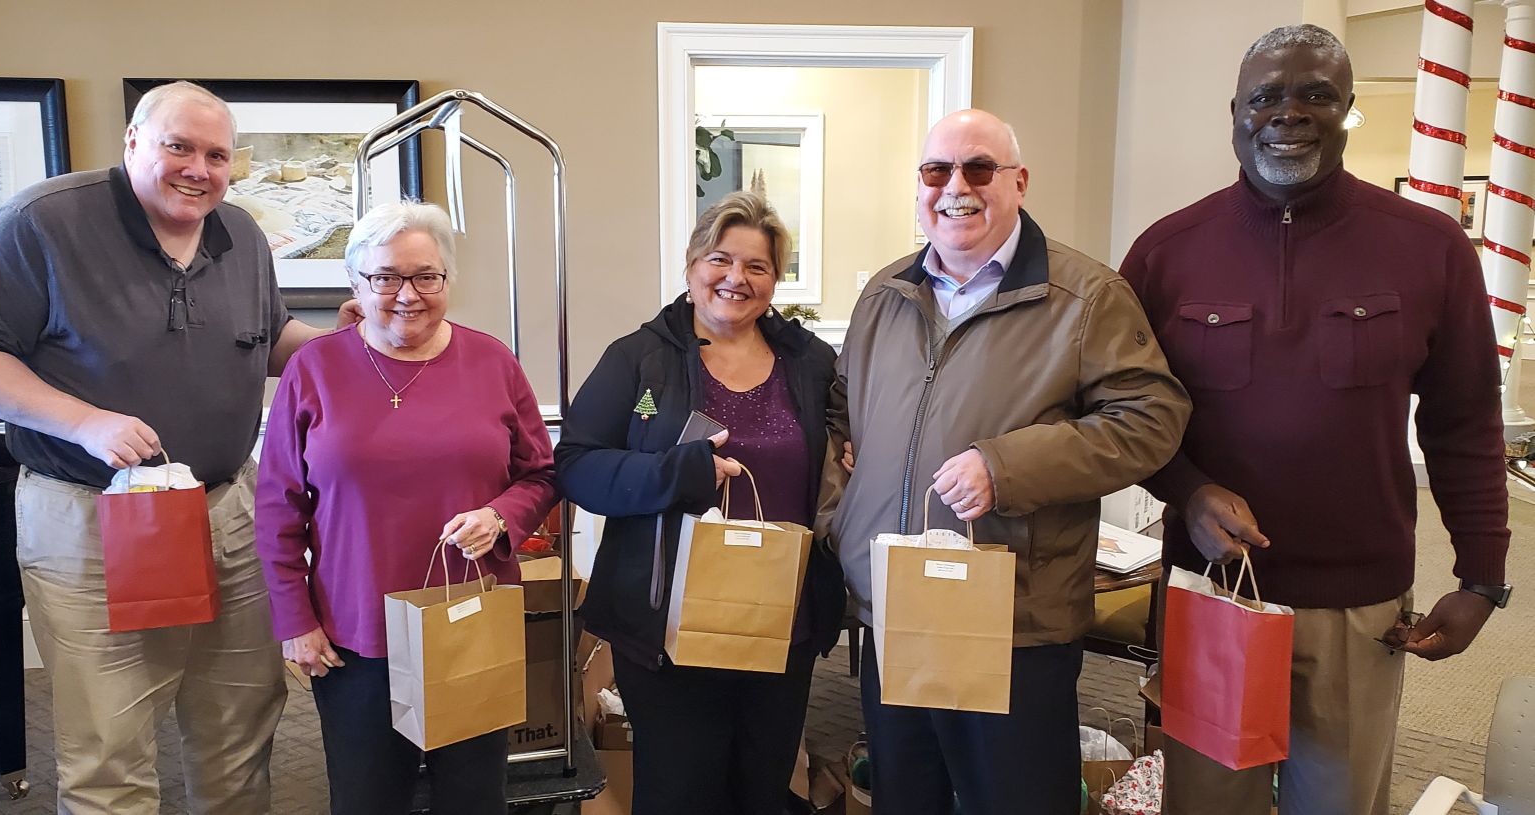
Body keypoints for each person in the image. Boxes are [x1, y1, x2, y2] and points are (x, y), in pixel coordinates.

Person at [1119, 25, 1511, 815]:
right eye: (1265, 96)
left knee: (1340, 802)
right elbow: (1124, 414)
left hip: (1357, 603)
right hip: (1214, 594)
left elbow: (1466, 422)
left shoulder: (1430, 247)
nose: (1287, 113)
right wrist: (1188, 491)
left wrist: (1482, 575)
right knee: (1205, 804)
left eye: (1316, 95)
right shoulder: (1165, 253)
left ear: (1348, 109)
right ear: (1235, 112)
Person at [0, 81, 339, 813]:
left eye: (217, 155)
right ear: (133, 141)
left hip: (230, 513)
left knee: (241, 728)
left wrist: (357, 347)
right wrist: (84, 422)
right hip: (90, 522)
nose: (199, 169)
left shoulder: (239, 232)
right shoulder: (43, 222)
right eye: (179, 147)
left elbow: (270, 339)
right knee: (108, 749)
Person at [817, 109, 1190, 814]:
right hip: (894, 607)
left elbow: (1151, 419)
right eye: (937, 170)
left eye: (979, 168)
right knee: (905, 796)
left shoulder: (1087, 299)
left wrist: (1006, 467)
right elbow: (840, 414)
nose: (956, 186)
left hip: (1015, 615)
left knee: (1014, 799)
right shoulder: (884, 296)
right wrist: (840, 518)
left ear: (1019, 182)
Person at [255, 200, 555, 815]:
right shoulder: (313, 369)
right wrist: (295, 621)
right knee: (367, 798)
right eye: (386, 277)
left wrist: (501, 516)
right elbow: (278, 508)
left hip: (470, 618)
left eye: (425, 276)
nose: (407, 295)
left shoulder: (493, 361)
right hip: (353, 631)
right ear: (356, 283)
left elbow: (541, 473)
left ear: (447, 279)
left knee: (474, 799)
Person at [554, 191, 846, 815]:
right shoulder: (639, 359)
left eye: (757, 266)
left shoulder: (811, 363)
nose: (736, 278)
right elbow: (577, 465)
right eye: (720, 259)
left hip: (782, 621)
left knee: (764, 789)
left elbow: (846, 445)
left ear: (775, 279)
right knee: (679, 791)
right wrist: (677, 473)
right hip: (668, 626)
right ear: (691, 266)